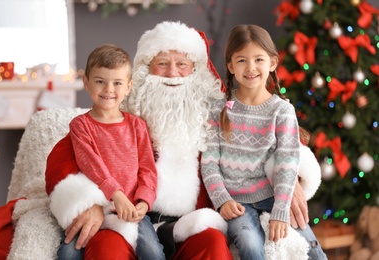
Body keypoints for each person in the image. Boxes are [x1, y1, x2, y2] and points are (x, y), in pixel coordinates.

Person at [45, 21, 324, 259]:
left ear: (196, 72)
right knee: (108, 249)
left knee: (214, 247)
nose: (173, 73)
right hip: (129, 217)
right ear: (142, 73)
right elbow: (65, 158)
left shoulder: (214, 108)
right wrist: (90, 202)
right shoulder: (122, 111)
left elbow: (272, 136)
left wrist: (290, 181)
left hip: (193, 220)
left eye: (182, 64)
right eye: (162, 64)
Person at [201, 24, 327, 260]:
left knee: (313, 251)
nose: (250, 68)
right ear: (230, 65)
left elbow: (288, 162)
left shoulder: (282, 110)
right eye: (241, 60)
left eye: (258, 59)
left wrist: (280, 210)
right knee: (249, 245)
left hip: (273, 196)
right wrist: (222, 200)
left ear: (272, 63)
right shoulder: (218, 109)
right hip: (236, 201)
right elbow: (209, 162)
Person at [50, 44, 164, 260]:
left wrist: (144, 202)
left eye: (117, 83)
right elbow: (91, 164)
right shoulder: (81, 125)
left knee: (154, 252)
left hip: (131, 211)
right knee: (67, 253)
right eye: (100, 81)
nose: (108, 90)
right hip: (99, 208)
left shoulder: (137, 126)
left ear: (128, 87)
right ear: (86, 82)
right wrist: (116, 195)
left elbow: (148, 169)